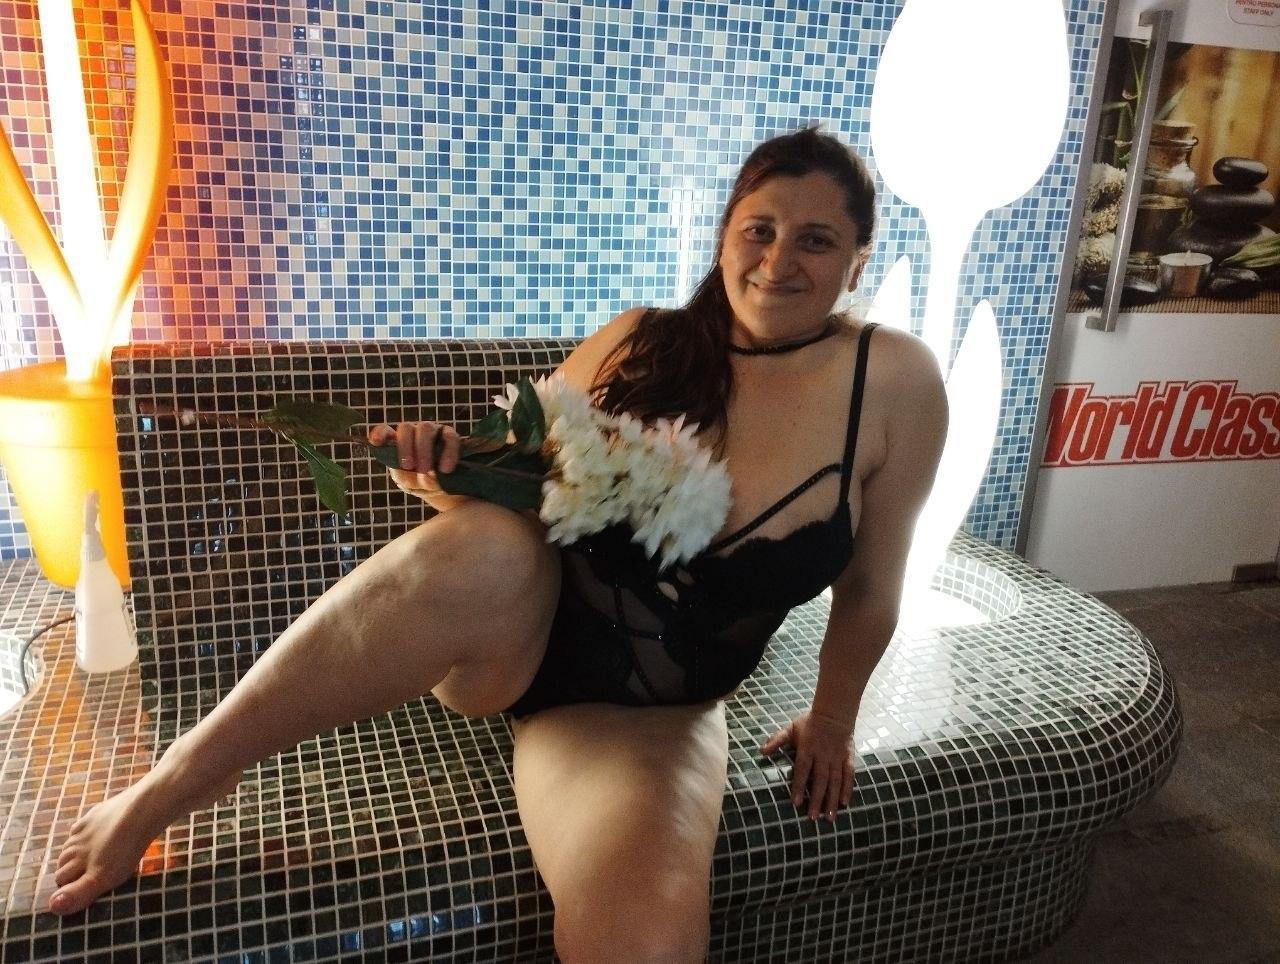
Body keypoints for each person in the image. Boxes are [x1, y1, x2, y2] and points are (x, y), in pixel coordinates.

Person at [50, 127, 946, 961]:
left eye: (815, 240)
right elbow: (510, 475)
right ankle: (169, 785)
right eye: (760, 229)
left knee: (645, 940)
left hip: (639, 719)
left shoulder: (894, 385)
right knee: (485, 544)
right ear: (725, 238)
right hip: (516, 629)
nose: (779, 260)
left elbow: (872, 587)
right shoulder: (642, 341)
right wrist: (437, 471)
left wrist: (833, 719)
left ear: (858, 259)